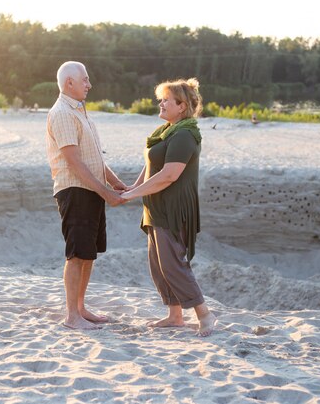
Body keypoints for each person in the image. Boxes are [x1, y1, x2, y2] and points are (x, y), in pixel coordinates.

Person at [122, 78, 217, 337]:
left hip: (173, 208)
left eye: (166, 100)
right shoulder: (166, 131)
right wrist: (132, 187)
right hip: (155, 206)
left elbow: (169, 175)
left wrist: (132, 194)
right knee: (158, 264)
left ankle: (205, 315)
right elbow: (152, 163)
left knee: (173, 264)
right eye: (161, 98)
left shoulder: (185, 134)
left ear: (182, 106)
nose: (160, 103)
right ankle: (175, 316)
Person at [46, 61, 127, 330]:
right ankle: (72, 316)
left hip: (90, 190)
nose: (89, 85)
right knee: (76, 254)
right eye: (85, 80)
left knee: (89, 253)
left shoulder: (80, 112)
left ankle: (81, 308)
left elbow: (94, 160)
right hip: (75, 190)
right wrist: (104, 192)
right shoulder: (62, 113)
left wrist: (116, 184)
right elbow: (74, 163)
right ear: (69, 82)